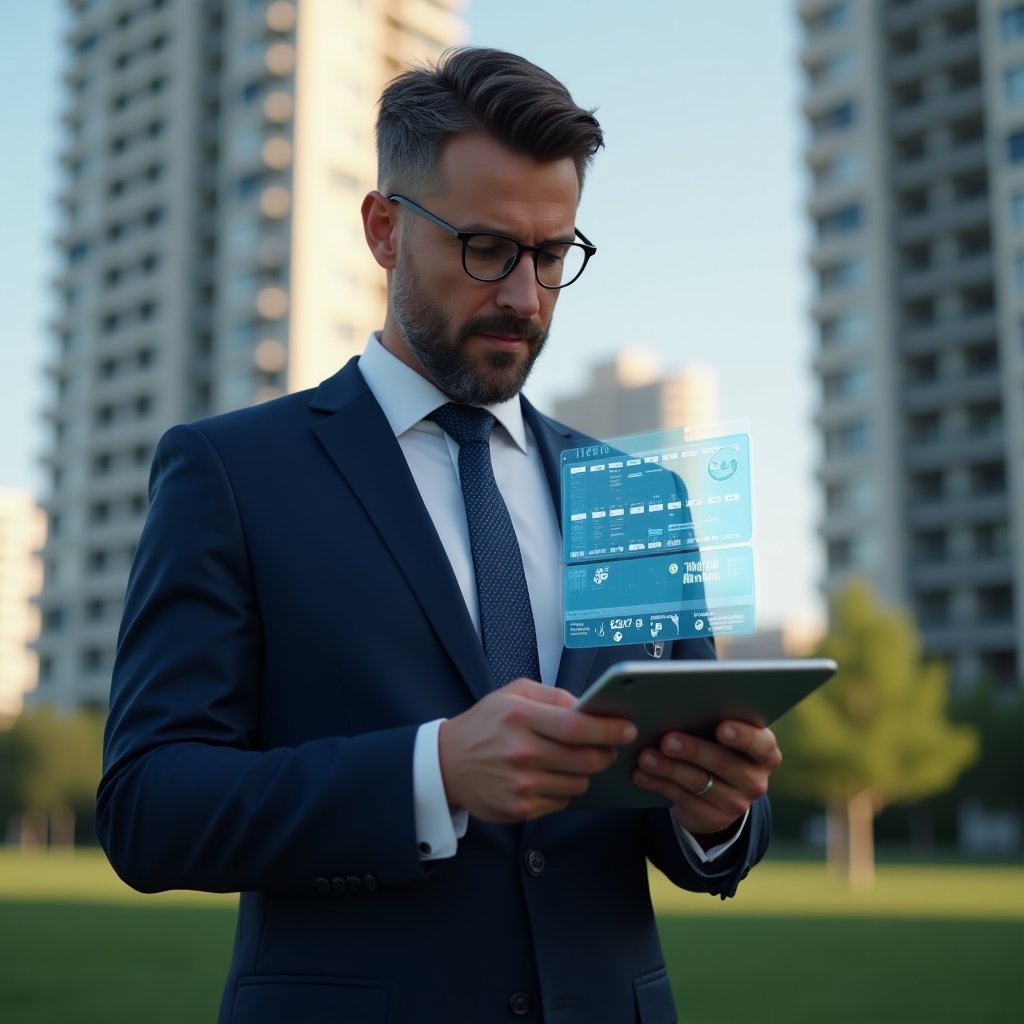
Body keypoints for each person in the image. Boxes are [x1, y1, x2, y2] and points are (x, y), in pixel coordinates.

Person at [97, 47, 782, 1024]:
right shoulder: (232, 473)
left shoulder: (636, 497)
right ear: (383, 229)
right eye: (486, 248)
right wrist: (434, 772)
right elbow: (148, 805)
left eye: (552, 256)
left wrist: (716, 812)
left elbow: (690, 811)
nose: (524, 296)